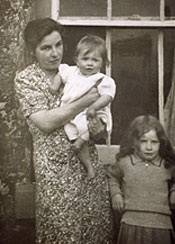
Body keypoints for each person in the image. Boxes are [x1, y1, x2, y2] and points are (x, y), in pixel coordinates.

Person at [14, 18, 114, 244]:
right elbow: (46, 122)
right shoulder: (27, 79)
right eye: (46, 48)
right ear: (33, 50)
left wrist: (97, 126)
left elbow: (97, 118)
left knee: (93, 229)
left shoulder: (77, 71)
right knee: (61, 231)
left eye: (58, 45)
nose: (54, 53)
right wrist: (86, 100)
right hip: (53, 170)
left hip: (86, 166)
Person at [49, 35, 116, 178]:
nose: (90, 64)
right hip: (74, 113)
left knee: (87, 125)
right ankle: (88, 166)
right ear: (76, 60)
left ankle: (82, 141)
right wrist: (55, 85)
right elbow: (60, 74)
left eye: (95, 60)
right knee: (71, 129)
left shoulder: (102, 79)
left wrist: (94, 107)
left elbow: (107, 96)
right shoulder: (72, 72)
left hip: (94, 111)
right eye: (85, 59)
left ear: (103, 63)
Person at [107, 115, 175, 244]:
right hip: (131, 223)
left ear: (161, 143)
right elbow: (112, 176)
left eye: (154, 142)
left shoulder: (167, 165)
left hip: (161, 225)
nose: (149, 147)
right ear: (134, 142)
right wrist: (116, 194)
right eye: (143, 141)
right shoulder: (125, 163)